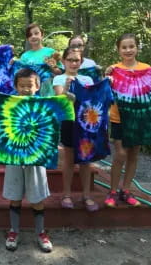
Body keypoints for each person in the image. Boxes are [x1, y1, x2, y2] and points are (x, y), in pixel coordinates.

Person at [1, 68, 53, 253]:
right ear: (15, 86)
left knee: (37, 197)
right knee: (15, 197)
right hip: (14, 156)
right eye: (21, 86)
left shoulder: (44, 105)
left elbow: (57, 118)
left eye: (29, 85)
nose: (25, 89)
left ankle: (41, 232)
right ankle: (14, 231)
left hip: (36, 158)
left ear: (37, 86)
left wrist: (68, 99)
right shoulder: (10, 104)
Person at [104, 33, 149, 208]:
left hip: (139, 117)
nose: (128, 50)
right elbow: (106, 92)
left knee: (133, 155)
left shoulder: (146, 68)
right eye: (124, 47)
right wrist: (107, 78)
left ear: (137, 48)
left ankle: (126, 190)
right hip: (118, 118)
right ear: (119, 50)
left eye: (131, 46)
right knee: (121, 154)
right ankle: (113, 191)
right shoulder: (113, 69)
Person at [53, 47, 97, 211]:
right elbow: (60, 100)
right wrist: (66, 88)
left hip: (86, 123)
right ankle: (66, 194)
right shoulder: (59, 79)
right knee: (69, 158)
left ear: (81, 62)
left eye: (76, 60)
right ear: (63, 61)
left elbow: (93, 100)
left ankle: (86, 195)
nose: (73, 63)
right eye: (70, 60)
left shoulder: (87, 79)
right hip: (69, 122)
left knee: (86, 160)